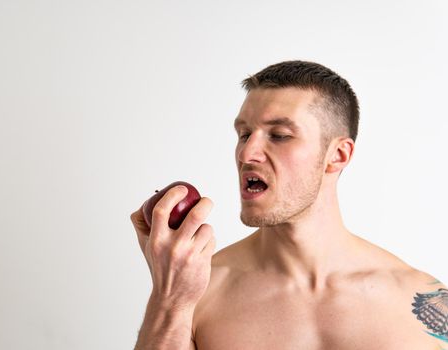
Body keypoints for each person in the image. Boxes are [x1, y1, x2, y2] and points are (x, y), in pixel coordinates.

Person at [130, 60, 448, 350]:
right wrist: (170, 299)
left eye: (279, 135)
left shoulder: (420, 302)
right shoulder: (200, 291)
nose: (246, 153)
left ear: (337, 156)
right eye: (244, 134)